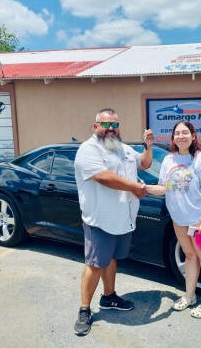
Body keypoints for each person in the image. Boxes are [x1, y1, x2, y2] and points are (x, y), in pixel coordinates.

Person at [73, 108, 154, 336]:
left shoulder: (124, 149)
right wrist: (135, 187)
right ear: (95, 126)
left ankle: (109, 297)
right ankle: (84, 309)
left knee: (111, 260)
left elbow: (145, 164)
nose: (111, 129)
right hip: (100, 219)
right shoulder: (88, 150)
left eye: (115, 125)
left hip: (123, 219)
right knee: (96, 264)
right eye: (106, 124)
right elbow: (103, 177)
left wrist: (148, 147)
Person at [146, 120, 201, 318]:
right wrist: (145, 188)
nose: (181, 136)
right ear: (173, 138)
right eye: (177, 133)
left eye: (185, 132)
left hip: (198, 219)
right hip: (178, 219)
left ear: (193, 136)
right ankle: (190, 296)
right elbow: (164, 188)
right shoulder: (169, 160)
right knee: (189, 255)